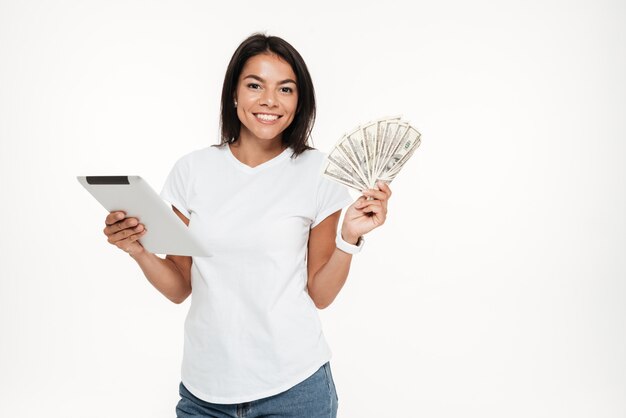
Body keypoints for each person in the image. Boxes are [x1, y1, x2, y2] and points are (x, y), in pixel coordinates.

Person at [102, 33, 392, 418]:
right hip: (204, 393)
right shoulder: (192, 171)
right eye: (255, 85)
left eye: (285, 89)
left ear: (298, 100)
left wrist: (349, 237)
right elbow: (179, 287)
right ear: (234, 94)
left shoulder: (319, 173)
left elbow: (320, 294)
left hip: (295, 389)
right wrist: (137, 250)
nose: (269, 100)